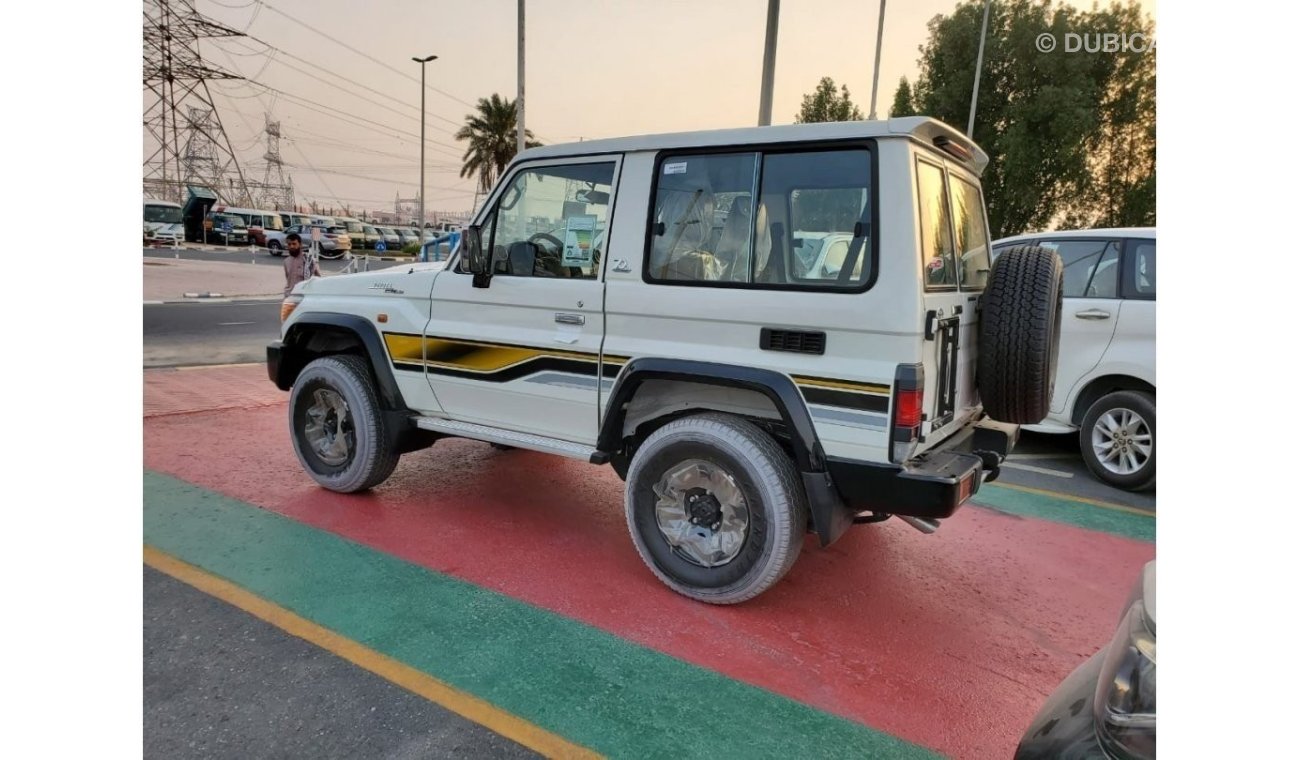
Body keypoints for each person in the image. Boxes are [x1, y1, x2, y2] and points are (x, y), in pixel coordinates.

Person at [281, 232, 321, 321]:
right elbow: (288, 280)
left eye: (294, 244)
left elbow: (318, 278)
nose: (291, 246)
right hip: (289, 299)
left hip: (304, 300)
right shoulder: (286, 261)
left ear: (300, 244)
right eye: (289, 244)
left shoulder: (309, 260)